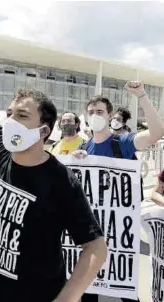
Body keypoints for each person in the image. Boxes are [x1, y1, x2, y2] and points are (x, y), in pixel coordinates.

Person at [0, 7, 107, 302]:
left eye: (22, 115)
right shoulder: (0, 148)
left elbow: (96, 248)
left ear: (43, 131)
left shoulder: (60, 181)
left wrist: (67, 298)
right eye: (11, 113)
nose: (11, 120)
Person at [74, 83, 164, 302]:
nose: (95, 115)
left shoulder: (121, 142)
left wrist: (142, 95)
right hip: (94, 225)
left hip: (119, 226)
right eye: (92, 112)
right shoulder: (85, 149)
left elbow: (156, 133)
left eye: (100, 111)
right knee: (89, 282)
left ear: (110, 115)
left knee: (122, 279)